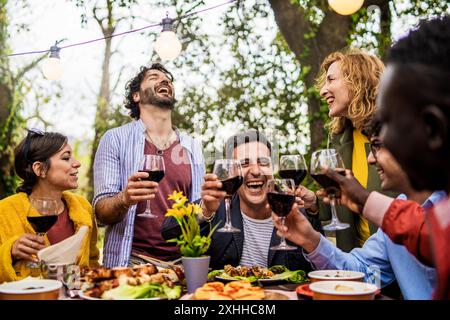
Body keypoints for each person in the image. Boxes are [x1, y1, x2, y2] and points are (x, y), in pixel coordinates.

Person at [321, 16, 450, 299]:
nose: (373, 153)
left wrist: (366, 201)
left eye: (388, 122)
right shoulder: (433, 215)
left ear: (433, 129)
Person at [273, 120, 445, 299]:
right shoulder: (397, 210)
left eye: (378, 145)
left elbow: (436, 241)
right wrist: (310, 239)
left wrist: (366, 201)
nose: (370, 158)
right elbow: (361, 273)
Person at [93, 63, 205, 267]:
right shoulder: (115, 139)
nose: (165, 80)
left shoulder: (192, 147)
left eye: (168, 79)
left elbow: (198, 210)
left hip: (182, 265)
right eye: (154, 77)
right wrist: (124, 199)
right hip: (130, 263)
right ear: (137, 96)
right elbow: (101, 213)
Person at [162, 130, 322, 270]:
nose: (256, 171)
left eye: (263, 162)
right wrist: (204, 210)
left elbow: (321, 263)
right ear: (232, 172)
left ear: (273, 169)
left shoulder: (295, 210)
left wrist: (314, 207)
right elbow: (168, 233)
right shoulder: (215, 207)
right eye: (244, 164)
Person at [315, 48, 396, 251]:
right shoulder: (339, 138)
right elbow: (341, 204)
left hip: (401, 256)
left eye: (331, 80)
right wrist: (314, 204)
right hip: (361, 260)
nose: (323, 90)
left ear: (358, 81)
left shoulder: (397, 132)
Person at [0, 130, 99, 283]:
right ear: (40, 169)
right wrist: (10, 251)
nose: (77, 163)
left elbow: (92, 262)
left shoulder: (83, 208)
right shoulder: (4, 211)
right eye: (66, 158)